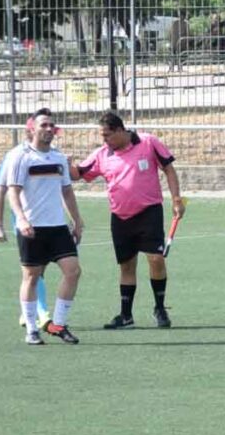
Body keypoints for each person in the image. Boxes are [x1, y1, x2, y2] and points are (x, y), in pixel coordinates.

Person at [75, 111, 183, 328]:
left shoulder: (148, 142)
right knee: (127, 265)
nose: (104, 140)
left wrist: (176, 199)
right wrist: (58, 164)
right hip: (120, 216)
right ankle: (126, 316)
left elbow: (169, 169)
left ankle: (160, 308)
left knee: (156, 259)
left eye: (107, 135)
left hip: (149, 211)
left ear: (120, 130)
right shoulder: (102, 154)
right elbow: (78, 173)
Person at [0, 109, 83, 345]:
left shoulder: (58, 158)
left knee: (73, 271)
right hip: (33, 227)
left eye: (52, 126)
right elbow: (12, 192)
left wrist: (77, 220)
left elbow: (66, 190)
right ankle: (31, 329)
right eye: (44, 125)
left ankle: (58, 324)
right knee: (32, 276)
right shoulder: (21, 156)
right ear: (32, 128)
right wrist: (22, 219)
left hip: (57, 226)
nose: (49, 129)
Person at [0, 108, 54, 328]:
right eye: (40, 127)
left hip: (48, 221)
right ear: (30, 130)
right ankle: (43, 313)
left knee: (39, 269)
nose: (47, 131)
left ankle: (29, 309)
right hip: (25, 220)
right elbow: (1, 190)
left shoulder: (49, 153)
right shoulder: (15, 156)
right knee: (32, 269)